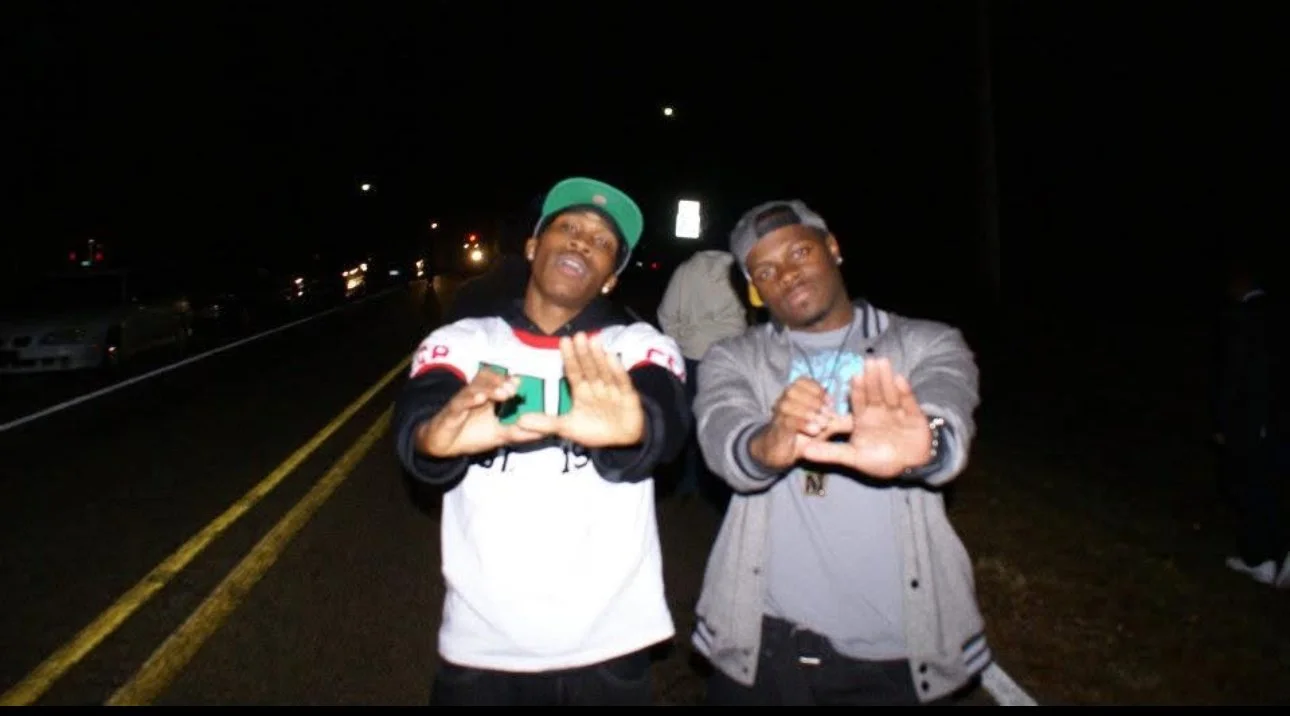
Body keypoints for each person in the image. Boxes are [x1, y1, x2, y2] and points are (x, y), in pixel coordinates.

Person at [392, 177, 691, 706]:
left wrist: (636, 430)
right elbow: (422, 418)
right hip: (479, 652)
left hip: (610, 651)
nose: (582, 242)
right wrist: (433, 436)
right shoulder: (462, 340)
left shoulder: (637, 343)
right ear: (532, 248)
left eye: (602, 243)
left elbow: (662, 412)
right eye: (569, 227)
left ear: (609, 281)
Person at [691, 199, 988, 706]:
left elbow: (948, 411)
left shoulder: (925, 342)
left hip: (893, 658)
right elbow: (724, 434)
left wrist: (926, 444)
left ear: (832, 249)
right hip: (761, 650)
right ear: (755, 291)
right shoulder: (733, 358)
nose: (786, 273)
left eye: (800, 252)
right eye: (765, 270)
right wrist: (767, 444)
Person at [1213, 257, 1289, 587]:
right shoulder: (1279, 317)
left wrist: (1225, 421)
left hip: (1254, 420)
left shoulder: (1245, 319)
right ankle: (1278, 556)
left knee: (1250, 486)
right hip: (1280, 421)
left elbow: (1236, 376)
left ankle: (1260, 558)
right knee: (1275, 486)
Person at [657, 248, 748, 502]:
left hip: (691, 356)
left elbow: (666, 314)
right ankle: (725, 482)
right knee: (724, 417)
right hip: (728, 357)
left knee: (687, 418)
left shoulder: (685, 271)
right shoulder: (739, 274)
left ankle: (688, 481)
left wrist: (683, 340)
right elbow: (746, 316)